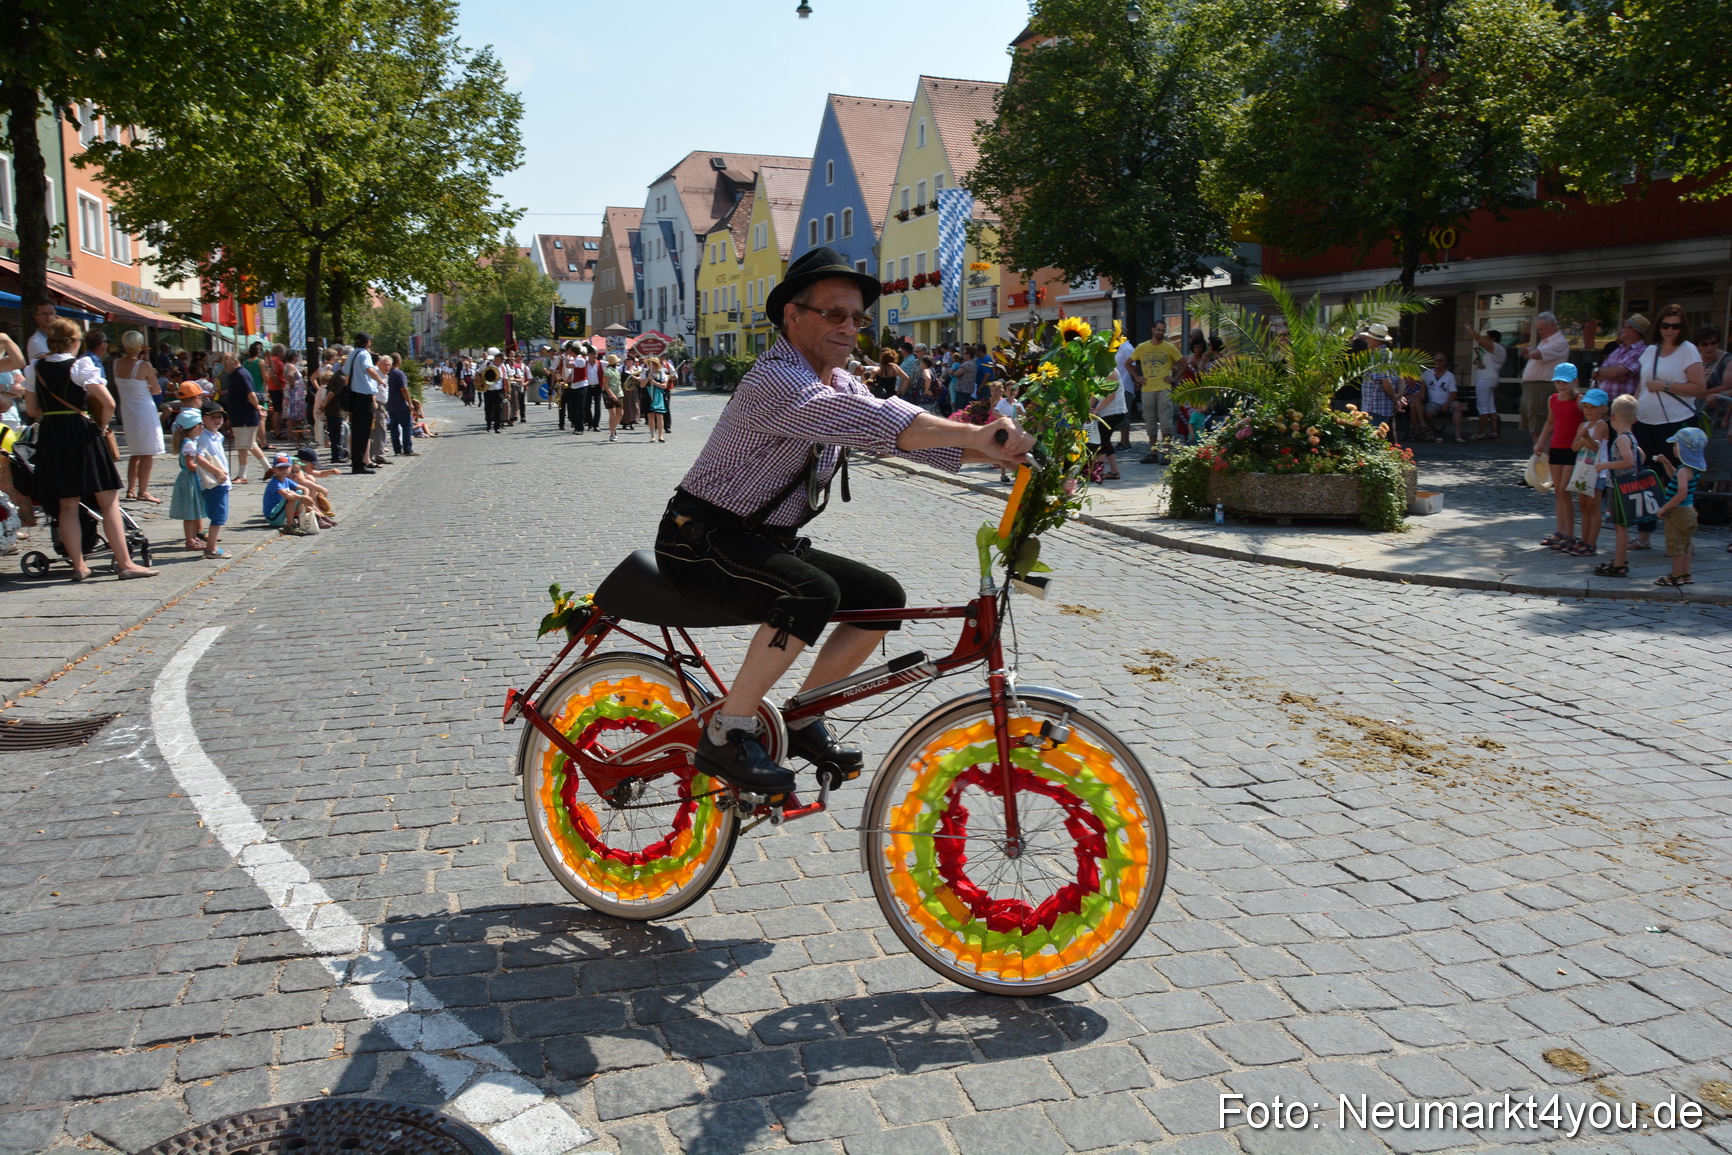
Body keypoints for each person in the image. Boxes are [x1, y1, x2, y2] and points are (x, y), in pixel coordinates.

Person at [654, 246, 1032, 795]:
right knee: (813, 593)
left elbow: (901, 435)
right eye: (836, 314)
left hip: (761, 538)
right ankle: (727, 730)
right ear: (793, 316)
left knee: (881, 597)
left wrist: (997, 451)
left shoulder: (839, 381)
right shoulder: (776, 382)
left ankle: (804, 714)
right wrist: (972, 435)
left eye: (858, 318)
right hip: (700, 538)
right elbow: (875, 419)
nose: (851, 327)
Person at [19, 317, 158, 580]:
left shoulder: (35, 367)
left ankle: (79, 565)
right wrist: (101, 425)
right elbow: (108, 403)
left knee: (67, 505)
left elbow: (34, 410)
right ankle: (125, 563)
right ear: (74, 342)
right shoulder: (80, 365)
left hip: (52, 434)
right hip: (81, 433)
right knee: (108, 501)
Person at [1633, 304, 1705, 550]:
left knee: (1676, 481)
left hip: (1676, 424)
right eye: (1666, 325)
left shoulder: (1688, 350)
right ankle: (1644, 535)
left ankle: (1683, 538)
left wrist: (1666, 385)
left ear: (1682, 328)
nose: (1670, 330)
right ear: (1659, 326)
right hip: (1645, 422)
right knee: (1645, 478)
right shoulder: (1650, 351)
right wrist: (1631, 410)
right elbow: (1642, 386)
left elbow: (1699, 387)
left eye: (1676, 326)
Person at [1533, 362, 1583, 551]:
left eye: (1565, 383)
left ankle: (1570, 534)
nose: (1562, 386)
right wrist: (1540, 442)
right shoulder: (1552, 399)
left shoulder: (1579, 400)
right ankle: (1560, 531)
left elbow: (1587, 420)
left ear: (1575, 382)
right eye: (1558, 382)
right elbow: (1550, 422)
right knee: (1558, 492)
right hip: (1556, 447)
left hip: (1572, 450)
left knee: (1565, 490)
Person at [1592, 394, 1643, 579]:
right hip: (1628, 486)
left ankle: (1619, 563)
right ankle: (1619, 560)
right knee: (1622, 526)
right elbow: (1640, 457)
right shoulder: (1631, 437)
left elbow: (1628, 461)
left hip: (1619, 487)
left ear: (1612, 417)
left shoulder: (1621, 439)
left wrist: (1605, 465)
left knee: (1619, 527)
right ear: (1634, 419)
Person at [113, 330, 165, 502]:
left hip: (128, 411)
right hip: (144, 410)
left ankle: (131, 489)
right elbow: (157, 389)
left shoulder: (116, 364)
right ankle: (143, 490)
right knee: (147, 453)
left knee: (135, 452)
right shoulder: (144, 366)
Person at [1652, 426, 1704, 587]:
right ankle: (1686, 573)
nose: (1673, 448)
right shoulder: (1690, 469)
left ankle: (1675, 575)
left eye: (1676, 445)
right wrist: (1666, 462)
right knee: (1686, 544)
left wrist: (1665, 507)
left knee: (1676, 545)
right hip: (1689, 511)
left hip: (1679, 512)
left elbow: (1681, 493)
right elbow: (1674, 476)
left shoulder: (1683, 470)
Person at [1130, 320, 1181, 463]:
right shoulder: (1142, 347)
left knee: (1166, 422)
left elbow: (1182, 362)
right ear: (1153, 330)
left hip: (1164, 389)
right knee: (1150, 422)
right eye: (1158, 330)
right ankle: (1153, 453)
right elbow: (1128, 363)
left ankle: (1166, 453)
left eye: (1163, 330)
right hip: (1147, 389)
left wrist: (1175, 377)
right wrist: (1137, 377)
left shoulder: (1170, 347)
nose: (1160, 333)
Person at [1568, 387, 1610, 559]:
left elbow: (1595, 446)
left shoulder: (1602, 425)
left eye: (1592, 407)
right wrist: (1582, 438)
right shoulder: (1582, 426)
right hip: (1582, 471)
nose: (1588, 411)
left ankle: (1592, 543)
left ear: (1603, 408)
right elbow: (1574, 447)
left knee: (1593, 507)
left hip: (1597, 471)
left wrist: (1586, 438)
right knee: (1584, 507)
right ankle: (1584, 540)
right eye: (1586, 407)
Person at [186, 406, 232, 559]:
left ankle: (212, 546)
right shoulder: (204, 437)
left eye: (220, 417)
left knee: (220, 515)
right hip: (215, 482)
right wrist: (217, 471)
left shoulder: (216, 435)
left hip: (221, 482)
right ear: (203, 419)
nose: (217, 420)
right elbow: (199, 458)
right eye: (213, 417)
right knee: (218, 516)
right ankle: (211, 548)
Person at [1518, 311, 1570, 434]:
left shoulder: (1559, 342)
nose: (1540, 332)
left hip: (1543, 387)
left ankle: (1542, 452)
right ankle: (1539, 451)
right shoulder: (1545, 341)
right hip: (1531, 388)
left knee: (1539, 427)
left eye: (1543, 329)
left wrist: (1531, 352)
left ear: (1553, 325)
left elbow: (1537, 354)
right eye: (1538, 329)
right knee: (1533, 427)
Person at [221, 351, 265, 484]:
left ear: (235, 362)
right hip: (240, 415)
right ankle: (268, 468)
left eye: (226, 362)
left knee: (242, 447)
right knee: (250, 444)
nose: (224, 365)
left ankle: (242, 475)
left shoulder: (240, 374)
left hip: (244, 415)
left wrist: (257, 407)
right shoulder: (235, 375)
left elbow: (250, 394)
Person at [168, 408, 209, 549]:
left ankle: (193, 538)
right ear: (195, 427)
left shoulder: (187, 441)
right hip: (190, 479)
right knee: (190, 513)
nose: (203, 427)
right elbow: (189, 464)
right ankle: (190, 540)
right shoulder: (189, 444)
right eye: (201, 425)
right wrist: (204, 468)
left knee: (192, 512)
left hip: (189, 478)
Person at [344, 333, 386, 470]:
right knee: (364, 432)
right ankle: (360, 464)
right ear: (367, 342)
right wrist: (380, 380)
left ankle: (357, 462)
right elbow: (369, 369)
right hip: (364, 395)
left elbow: (346, 374)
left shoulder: (352, 354)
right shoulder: (364, 354)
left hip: (354, 395)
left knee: (356, 431)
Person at [1463, 325, 1507, 439]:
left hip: (1485, 379)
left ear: (1493, 339)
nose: (1486, 339)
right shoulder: (1501, 350)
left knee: (1482, 407)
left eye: (1488, 338)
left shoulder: (1495, 347)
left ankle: (1480, 432)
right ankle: (1494, 431)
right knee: (1491, 406)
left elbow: (1478, 339)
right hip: (1492, 378)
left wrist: (1469, 328)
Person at [1358, 323, 1402, 436]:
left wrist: (1395, 398)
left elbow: (1386, 383)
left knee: (1373, 441)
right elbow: (1401, 379)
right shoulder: (1390, 355)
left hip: (1374, 408)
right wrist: (1397, 397)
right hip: (1383, 408)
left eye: (1369, 338)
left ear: (1376, 341)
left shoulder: (1378, 357)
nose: (1367, 340)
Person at [1593, 314, 1648, 401]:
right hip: (1603, 403)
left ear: (1633, 331)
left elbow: (1614, 372)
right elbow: (1596, 376)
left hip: (1623, 405)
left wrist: (1600, 371)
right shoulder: (1618, 349)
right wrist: (1598, 371)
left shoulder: (1641, 351)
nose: (1621, 330)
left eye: (1624, 327)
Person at [262, 452, 314, 534]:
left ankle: (300, 521)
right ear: (274, 469)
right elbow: (287, 495)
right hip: (273, 517)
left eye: (286, 467)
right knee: (291, 495)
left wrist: (304, 500)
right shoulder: (275, 482)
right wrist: (303, 498)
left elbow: (304, 488)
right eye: (280, 468)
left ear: (290, 467)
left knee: (298, 493)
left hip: (281, 514)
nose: (284, 470)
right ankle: (289, 526)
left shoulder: (287, 480)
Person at [1419, 353, 1462, 443]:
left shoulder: (1450, 376)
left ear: (1445, 362)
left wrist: (1447, 404)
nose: (1438, 362)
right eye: (1436, 360)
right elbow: (1421, 385)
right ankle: (1431, 432)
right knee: (1429, 412)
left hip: (1447, 401)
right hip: (1433, 401)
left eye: (1440, 360)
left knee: (1457, 406)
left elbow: (1453, 393)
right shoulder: (1427, 373)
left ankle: (1457, 434)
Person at [383, 355, 415, 456]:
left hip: (391, 404)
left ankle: (397, 449)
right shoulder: (398, 373)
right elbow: (404, 389)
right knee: (406, 426)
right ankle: (407, 449)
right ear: (399, 361)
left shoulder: (388, 373)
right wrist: (410, 403)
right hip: (401, 404)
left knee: (394, 428)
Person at [643, 356, 671, 442]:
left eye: (652, 364)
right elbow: (641, 385)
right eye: (649, 364)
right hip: (648, 395)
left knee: (660, 415)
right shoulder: (645, 373)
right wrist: (648, 379)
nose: (650, 365)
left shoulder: (661, 373)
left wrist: (655, 383)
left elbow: (664, 386)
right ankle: (652, 435)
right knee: (650, 416)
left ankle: (661, 436)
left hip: (658, 396)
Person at [480, 347, 506, 433]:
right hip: (488, 390)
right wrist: (482, 381)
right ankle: (488, 425)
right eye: (500, 359)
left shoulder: (503, 367)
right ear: (496, 358)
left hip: (499, 390)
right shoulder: (486, 365)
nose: (501, 361)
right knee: (488, 408)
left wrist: (507, 391)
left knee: (499, 408)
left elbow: (505, 379)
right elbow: (478, 373)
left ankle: (497, 427)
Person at [601, 353, 624, 440]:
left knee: (620, 414)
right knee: (613, 414)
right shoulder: (608, 371)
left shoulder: (616, 370)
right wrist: (612, 395)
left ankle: (614, 427)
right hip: (610, 394)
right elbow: (605, 385)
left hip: (619, 393)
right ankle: (612, 433)